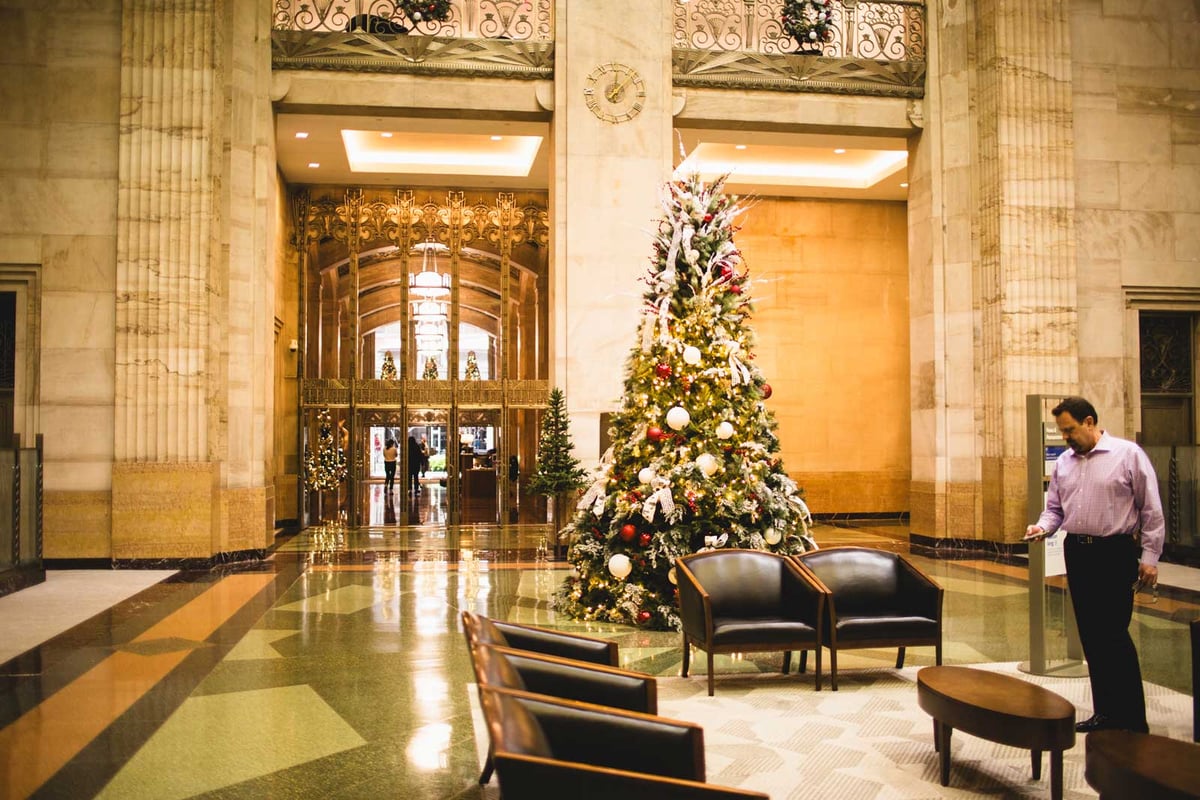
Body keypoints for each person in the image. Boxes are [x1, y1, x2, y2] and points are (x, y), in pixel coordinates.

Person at [1025, 396, 1164, 734]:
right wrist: (1043, 526)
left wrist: (1149, 557)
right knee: (1091, 636)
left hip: (1114, 553)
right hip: (1079, 552)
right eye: (1061, 431)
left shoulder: (1127, 454)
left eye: (1070, 430)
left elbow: (1151, 510)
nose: (1066, 437)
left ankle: (1131, 719)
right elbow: (1055, 508)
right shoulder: (1065, 463)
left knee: (1113, 634)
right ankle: (1105, 712)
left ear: (1090, 422)